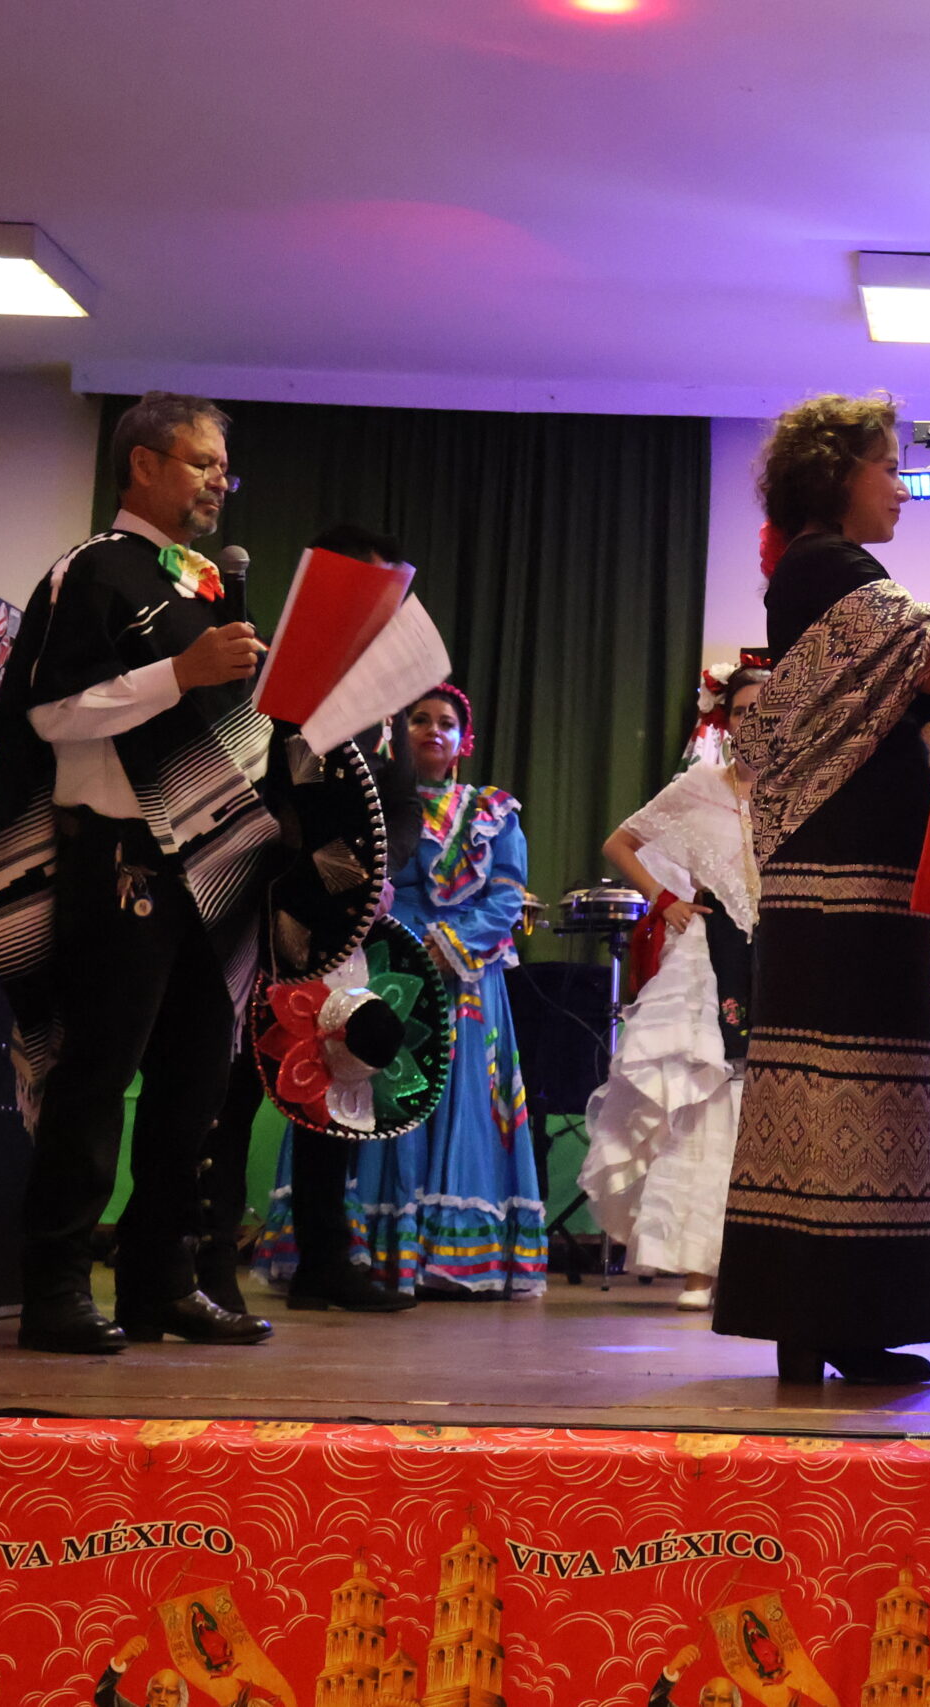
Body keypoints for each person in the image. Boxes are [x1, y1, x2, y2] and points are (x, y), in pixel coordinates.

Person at [0, 391, 276, 1354]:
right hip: (118, 859)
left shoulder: (202, 589)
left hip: (204, 863)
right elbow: (50, 715)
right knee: (97, 1079)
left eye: (224, 467)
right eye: (201, 462)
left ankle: (159, 1283)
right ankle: (56, 1285)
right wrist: (179, 674)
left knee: (195, 1084)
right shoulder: (90, 572)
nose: (218, 481)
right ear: (142, 464)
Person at [712, 393, 930, 1385]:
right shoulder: (827, 568)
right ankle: (810, 1316)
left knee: (862, 1080)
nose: (901, 485)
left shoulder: (828, 571)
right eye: (887, 465)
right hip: (839, 870)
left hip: (861, 865)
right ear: (835, 475)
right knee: (830, 1081)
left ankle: (847, 1318)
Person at [232, 522, 419, 1315]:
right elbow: (266, 794)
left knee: (333, 1080)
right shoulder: (268, 671)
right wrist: (333, 876)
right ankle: (198, 1255)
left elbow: (399, 803)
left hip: (348, 917)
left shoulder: (384, 692)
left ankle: (323, 1259)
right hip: (265, 907)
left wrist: (382, 873)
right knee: (234, 1084)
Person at [344, 684, 545, 1297]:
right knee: (384, 1095)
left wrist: (447, 946)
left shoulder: (494, 812)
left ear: (465, 739)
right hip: (386, 966)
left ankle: (448, 1257)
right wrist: (404, 946)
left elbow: (507, 896)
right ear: (398, 732)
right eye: (420, 719)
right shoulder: (374, 804)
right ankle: (370, 1252)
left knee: (465, 1101)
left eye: (447, 722)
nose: (434, 730)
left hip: (467, 979)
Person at [580, 665, 767, 1310]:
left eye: (766, 707)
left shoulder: (801, 790)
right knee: (705, 1098)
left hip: (778, 954)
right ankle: (697, 1266)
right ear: (726, 719)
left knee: (767, 1106)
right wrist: (665, 899)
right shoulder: (696, 787)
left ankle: (762, 1265)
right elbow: (620, 842)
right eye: (742, 709)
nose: (754, 719)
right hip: (709, 958)